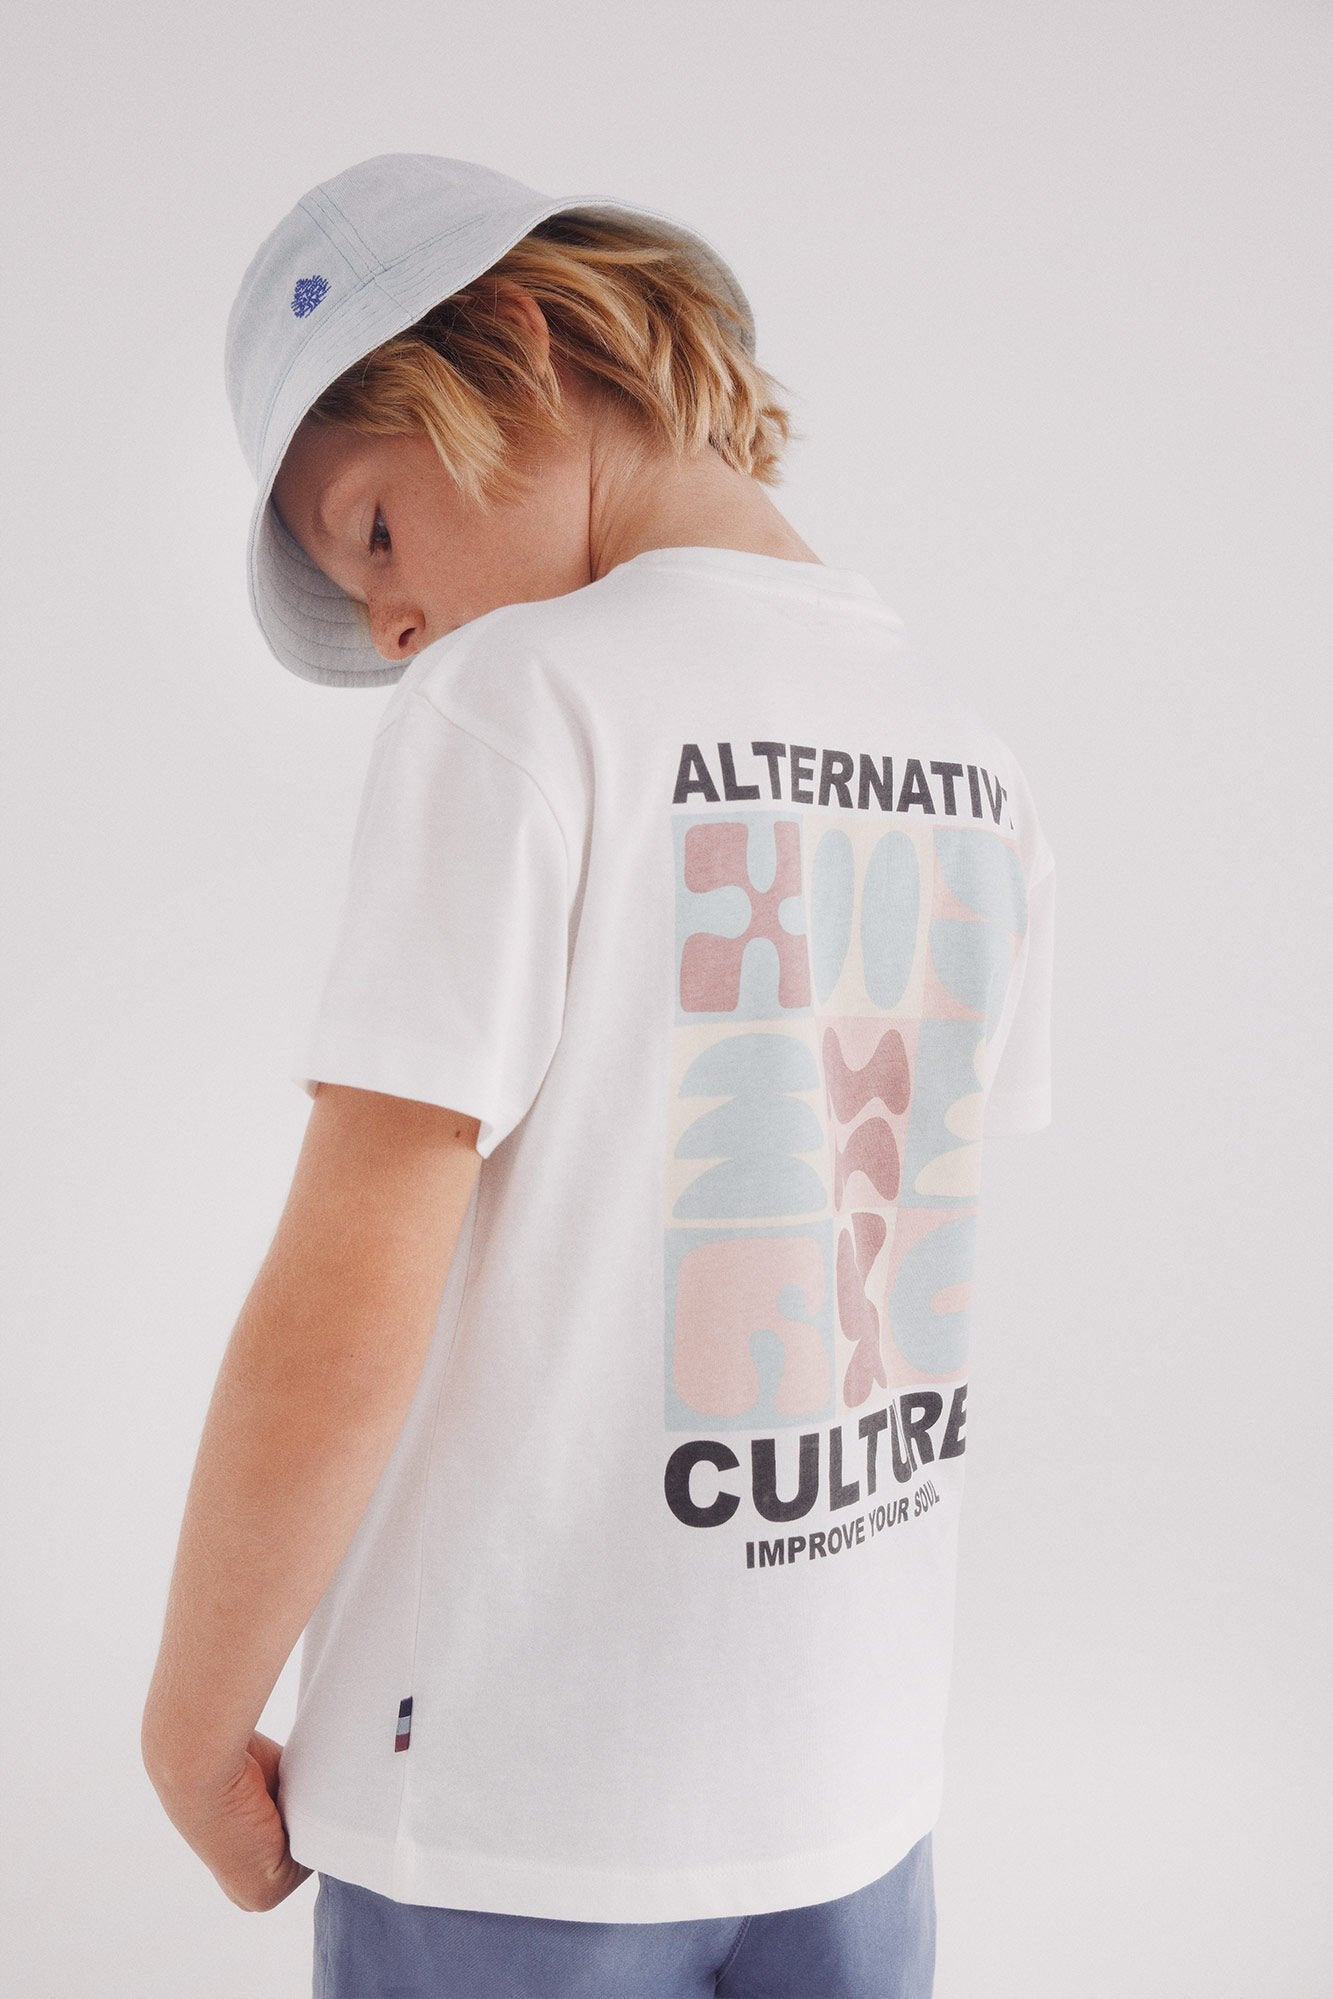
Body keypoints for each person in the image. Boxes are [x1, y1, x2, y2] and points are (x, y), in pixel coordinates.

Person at [140, 153, 1056, 1999]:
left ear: (520, 340)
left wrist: (192, 1725)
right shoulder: (970, 758)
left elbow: (346, 1303)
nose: (392, 629)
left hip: (520, 1803)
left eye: (372, 533)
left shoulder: (517, 704)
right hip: (853, 1788)